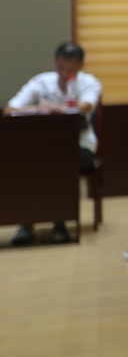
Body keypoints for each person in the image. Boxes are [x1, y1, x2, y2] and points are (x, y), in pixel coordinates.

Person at [3, 42, 102, 245]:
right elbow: (9, 110)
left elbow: (86, 105)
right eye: (61, 66)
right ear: (55, 62)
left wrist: (63, 109)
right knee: (24, 164)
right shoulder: (41, 82)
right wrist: (37, 109)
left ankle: (60, 223)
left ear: (81, 65)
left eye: (71, 68)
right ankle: (25, 223)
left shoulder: (89, 82)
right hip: (41, 146)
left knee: (59, 162)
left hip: (79, 147)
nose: (65, 72)